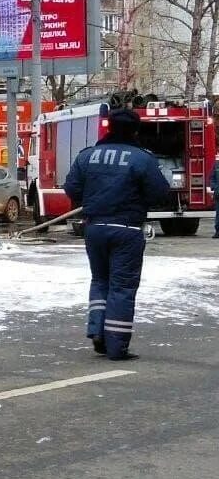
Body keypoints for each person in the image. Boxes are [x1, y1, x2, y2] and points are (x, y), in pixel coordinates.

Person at [63, 108, 171, 361]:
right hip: (127, 229)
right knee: (122, 287)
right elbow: (159, 193)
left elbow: (71, 188)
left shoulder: (87, 156)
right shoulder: (142, 159)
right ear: (135, 130)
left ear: (108, 127)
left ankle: (97, 332)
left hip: (94, 228)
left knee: (100, 281)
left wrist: (93, 199)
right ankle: (116, 346)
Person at [210, 153, 219, 239]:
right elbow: (212, 178)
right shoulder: (216, 165)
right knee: (218, 214)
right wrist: (215, 187)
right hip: (218, 194)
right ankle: (218, 231)